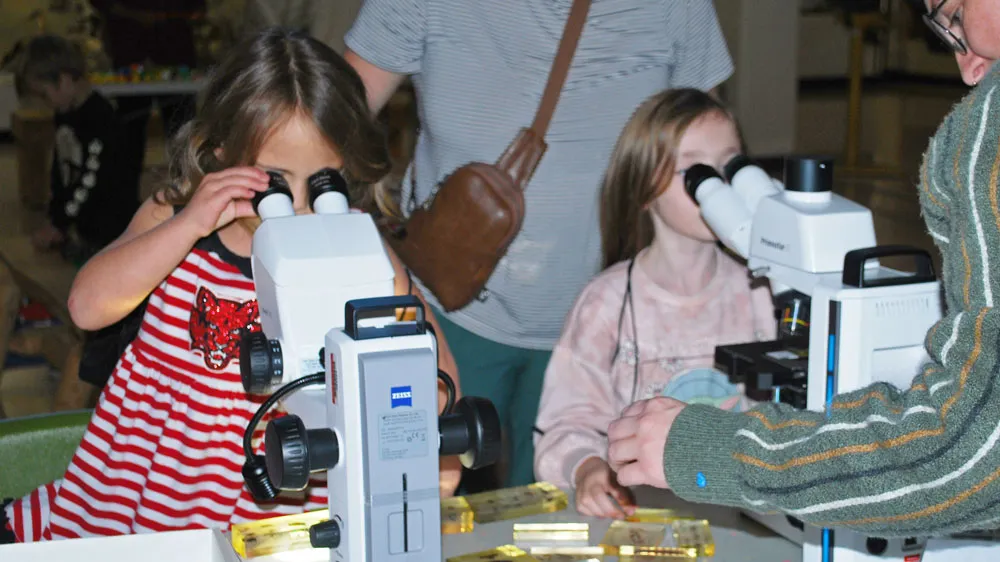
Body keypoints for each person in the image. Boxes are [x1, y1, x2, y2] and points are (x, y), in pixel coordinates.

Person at [0, 28, 461, 543]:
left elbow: (429, 365)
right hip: (148, 485)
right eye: (275, 180)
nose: (302, 204)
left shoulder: (354, 247)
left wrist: (425, 447)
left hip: (275, 496)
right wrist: (188, 224)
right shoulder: (174, 217)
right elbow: (87, 308)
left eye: (324, 179)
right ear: (218, 152)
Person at [606, 0, 1000, 537]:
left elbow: (972, 447)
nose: (968, 67)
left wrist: (717, 451)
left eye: (951, 15)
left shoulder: (986, 138)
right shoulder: (610, 300)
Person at [343, 0, 734, 490]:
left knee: (576, 520)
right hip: (448, 314)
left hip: (607, 326)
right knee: (416, 504)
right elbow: (333, 124)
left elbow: (704, 155)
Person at [533, 89, 775, 519]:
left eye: (729, 165)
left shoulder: (758, 291)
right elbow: (568, 417)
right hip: (639, 517)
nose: (717, 183)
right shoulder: (606, 303)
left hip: (740, 514)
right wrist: (587, 467)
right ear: (644, 186)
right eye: (698, 170)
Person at [14, 34, 140, 263]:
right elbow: (61, 170)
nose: (45, 102)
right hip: (85, 226)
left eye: (44, 94)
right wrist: (55, 216)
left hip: (112, 232)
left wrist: (60, 224)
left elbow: (89, 180)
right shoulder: (64, 113)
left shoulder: (100, 119)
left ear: (64, 80)